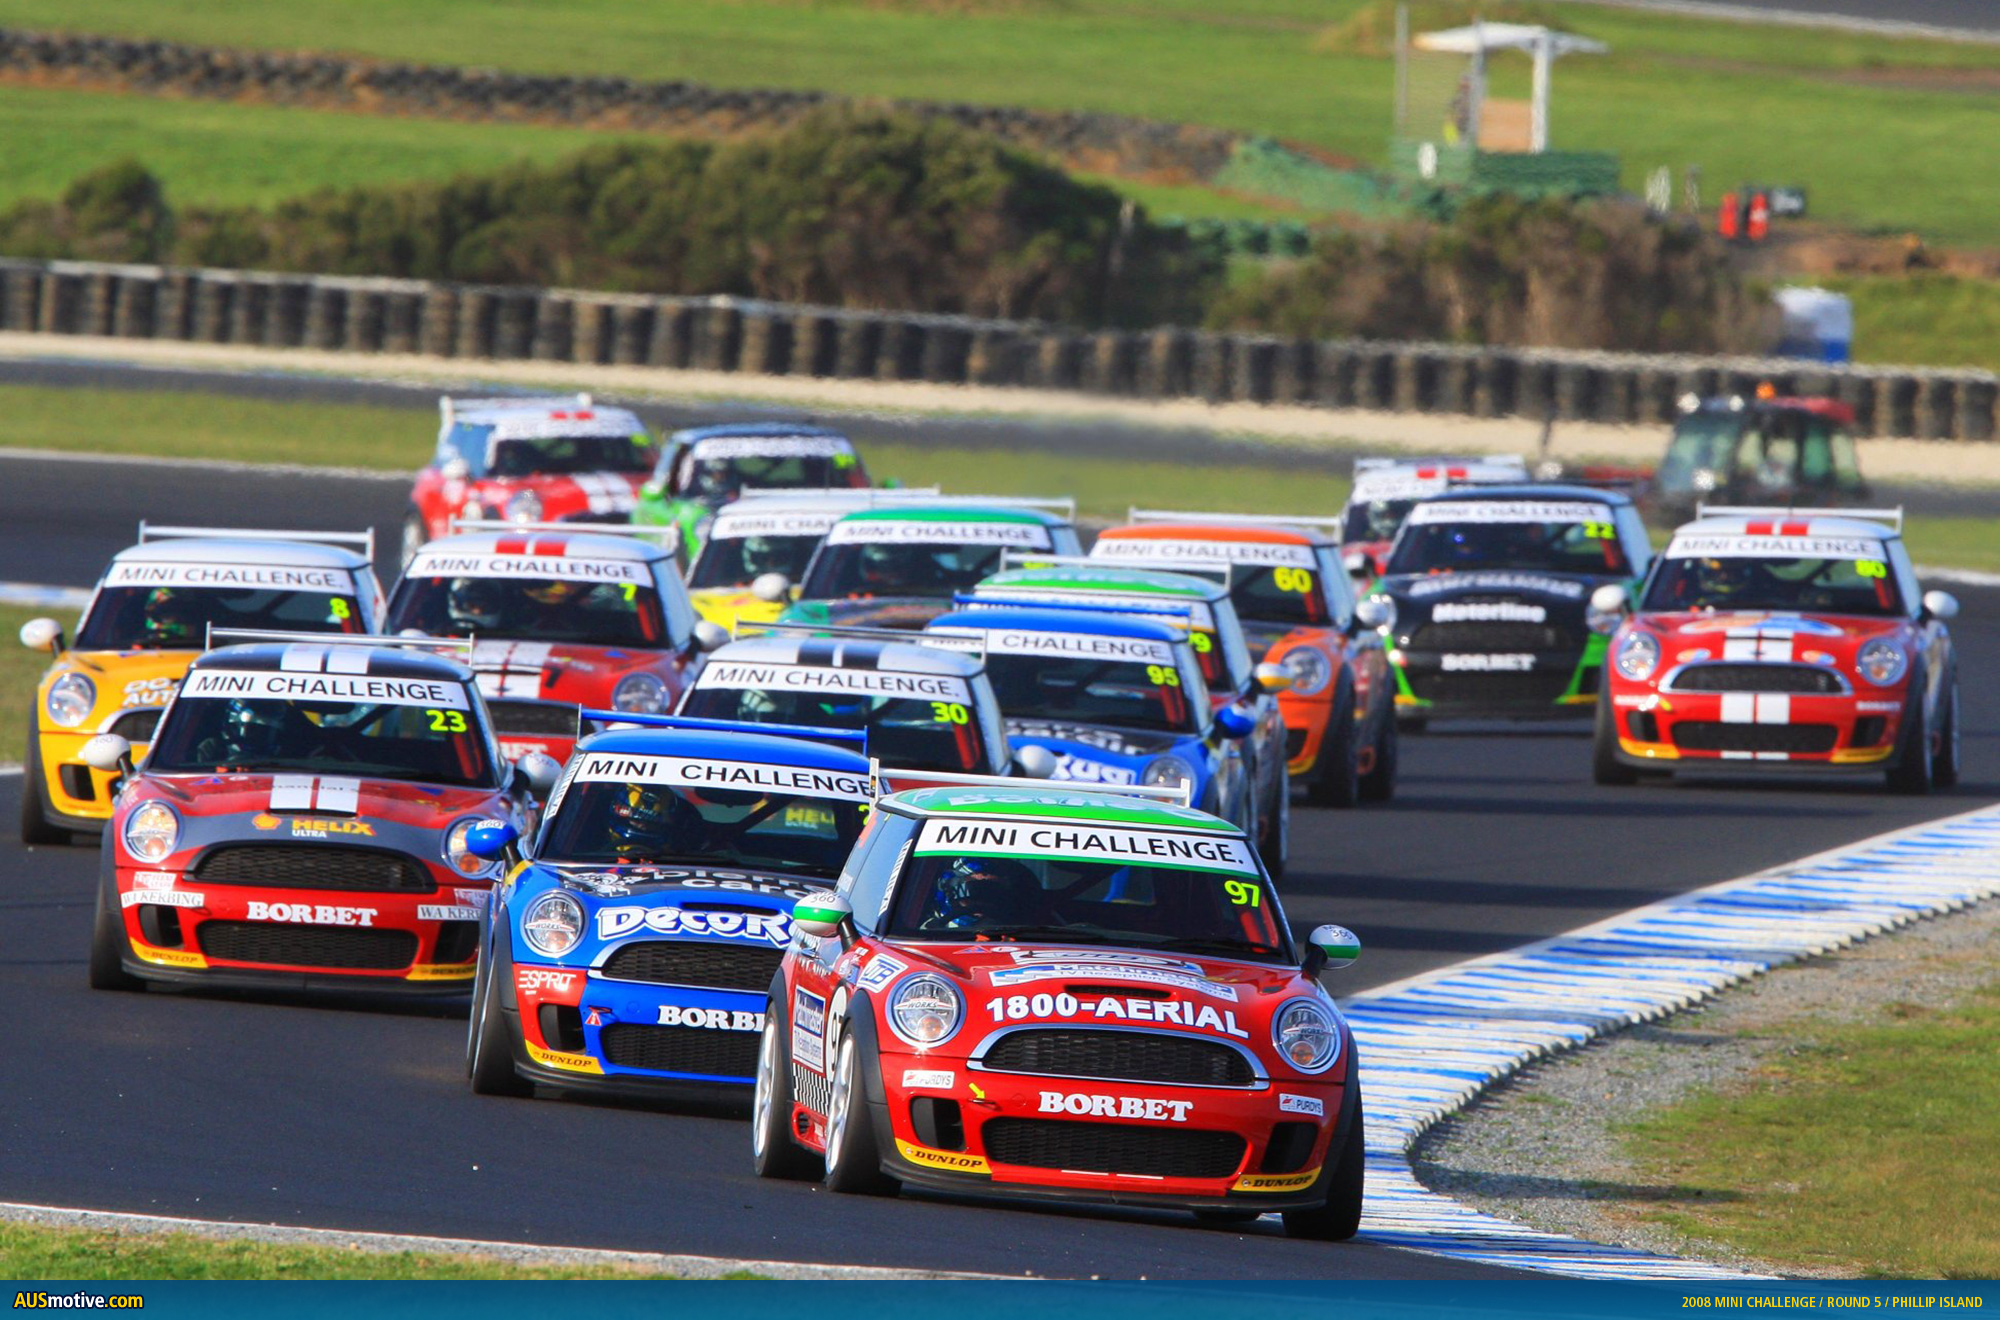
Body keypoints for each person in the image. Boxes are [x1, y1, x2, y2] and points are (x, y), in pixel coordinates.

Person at [923, 857, 1038, 932]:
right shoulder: (929, 932)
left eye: (991, 891)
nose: (982, 897)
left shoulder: (1014, 928)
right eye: (975, 888)